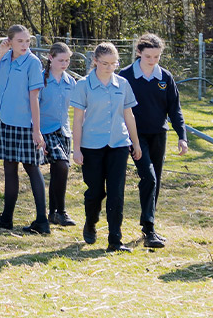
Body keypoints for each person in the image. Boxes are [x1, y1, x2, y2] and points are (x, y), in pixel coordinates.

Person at [69, 42, 144, 252]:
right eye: (105, 63)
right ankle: (90, 222)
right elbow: (77, 120)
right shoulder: (83, 85)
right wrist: (76, 148)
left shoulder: (123, 84)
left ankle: (115, 240)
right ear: (95, 61)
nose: (110, 68)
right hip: (91, 145)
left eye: (114, 63)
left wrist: (135, 143)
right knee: (95, 191)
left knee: (116, 192)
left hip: (118, 144)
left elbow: (129, 115)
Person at [119, 33, 188, 250]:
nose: (153, 61)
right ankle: (148, 228)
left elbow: (174, 109)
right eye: (149, 56)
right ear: (139, 53)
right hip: (135, 136)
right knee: (148, 177)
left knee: (155, 180)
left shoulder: (165, 77)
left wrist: (182, 136)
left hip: (159, 134)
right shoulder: (125, 76)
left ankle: (150, 225)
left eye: (157, 56)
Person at [0, 25, 49, 234]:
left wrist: (37, 130)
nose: (25, 45)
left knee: (32, 169)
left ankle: (42, 222)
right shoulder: (4, 58)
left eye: (27, 41)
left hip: (26, 125)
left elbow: (34, 98)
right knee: (9, 170)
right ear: (9, 42)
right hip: (6, 122)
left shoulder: (33, 63)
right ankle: (6, 218)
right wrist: (0, 53)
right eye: (20, 41)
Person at [38, 43, 78, 227]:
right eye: (61, 60)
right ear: (50, 58)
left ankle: (54, 213)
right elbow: (33, 106)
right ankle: (61, 211)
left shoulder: (71, 82)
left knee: (59, 170)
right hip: (45, 130)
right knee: (62, 165)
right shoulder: (41, 80)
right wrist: (36, 132)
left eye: (67, 60)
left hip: (64, 131)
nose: (64, 64)